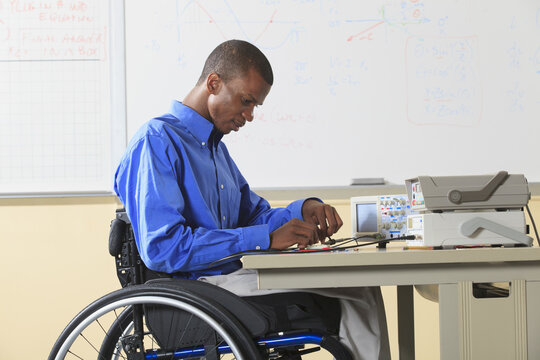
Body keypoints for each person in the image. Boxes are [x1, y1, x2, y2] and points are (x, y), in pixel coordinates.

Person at [114, 39, 390, 360]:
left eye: (255, 106)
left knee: (360, 285)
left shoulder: (215, 150)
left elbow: (254, 216)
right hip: (196, 290)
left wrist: (303, 212)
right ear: (214, 83)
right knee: (356, 293)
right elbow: (164, 248)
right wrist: (267, 238)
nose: (249, 115)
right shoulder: (157, 142)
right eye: (246, 101)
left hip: (229, 280)